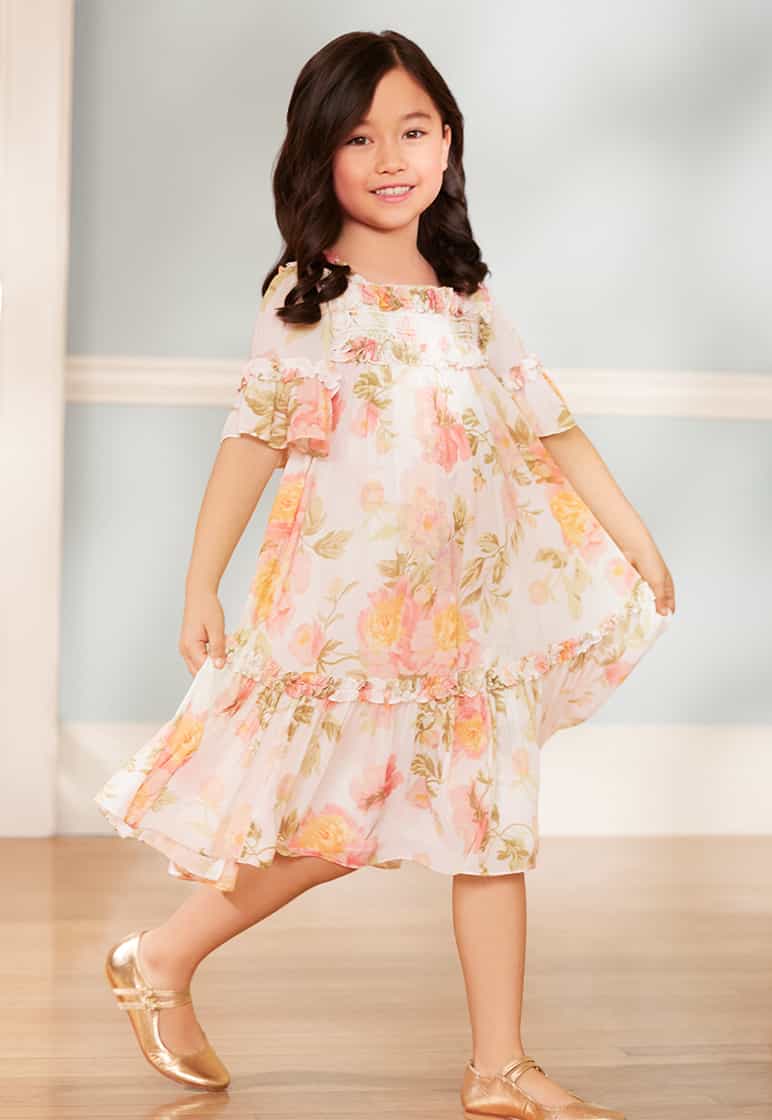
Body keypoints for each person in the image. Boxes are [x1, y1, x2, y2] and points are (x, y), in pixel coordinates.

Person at [94, 29, 676, 1117]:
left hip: (472, 611)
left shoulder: (465, 293)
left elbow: (547, 423)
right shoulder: (310, 293)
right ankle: (163, 955)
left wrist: (630, 531)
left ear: (448, 141)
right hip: (351, 611)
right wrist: (200, 581)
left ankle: (498, 1065)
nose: (391, 158)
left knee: (492, 825)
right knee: (339, 825)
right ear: (319, 155)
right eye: (359, 138)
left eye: (413, 130)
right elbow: (253, 439)